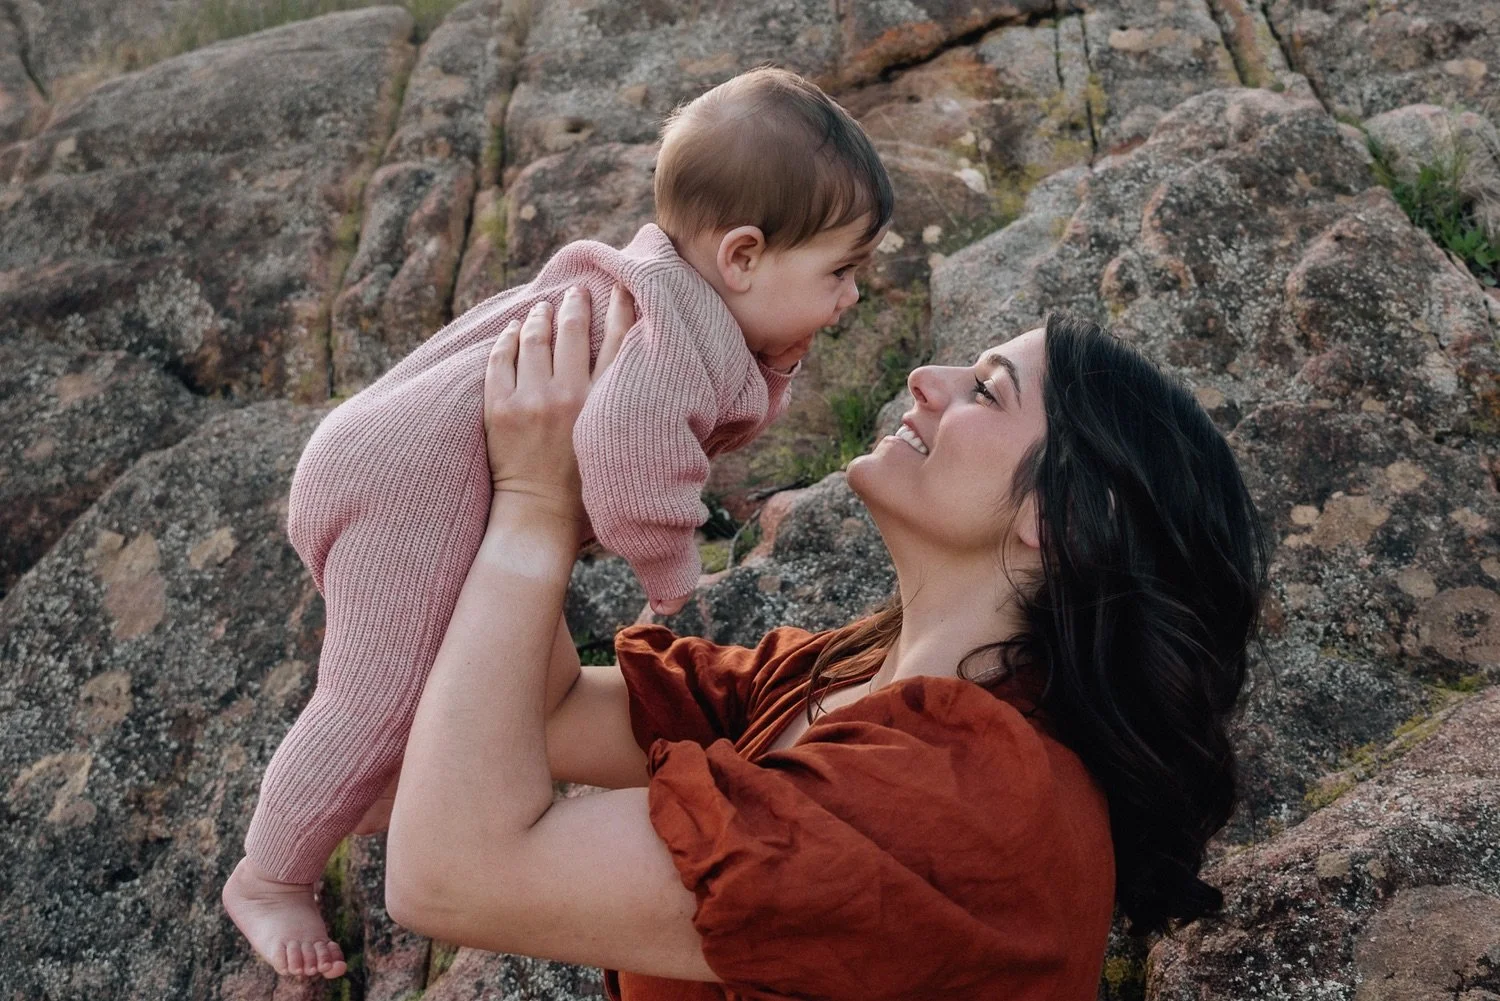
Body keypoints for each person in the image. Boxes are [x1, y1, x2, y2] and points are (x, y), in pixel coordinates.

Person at [383, 293, 1270, 999]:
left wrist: (535, 505)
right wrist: (577, 463)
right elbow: (549, 712)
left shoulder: (971, 802)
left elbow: (452, 873)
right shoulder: (844, 674)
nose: (928, 377)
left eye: (989, 389)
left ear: (1070, 518)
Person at [223, 67, 894, 978]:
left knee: (434, 674)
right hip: (405, 488)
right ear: (740, 257)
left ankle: (361, 789)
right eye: (840, 271)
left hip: (398, 453)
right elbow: (623, 452)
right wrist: (670, 571)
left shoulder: (675, 297)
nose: (852, 297)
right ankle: (268, 875)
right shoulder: (671, 335)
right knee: (369, 696)